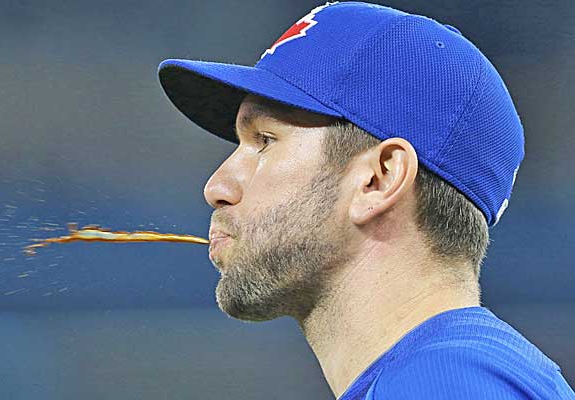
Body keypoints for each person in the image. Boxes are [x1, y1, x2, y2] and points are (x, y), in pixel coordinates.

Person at [157, 2, 575, 399]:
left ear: (379, 179)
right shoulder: (447, 372)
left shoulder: (443, 381)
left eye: (265, 140)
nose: (217, 186)